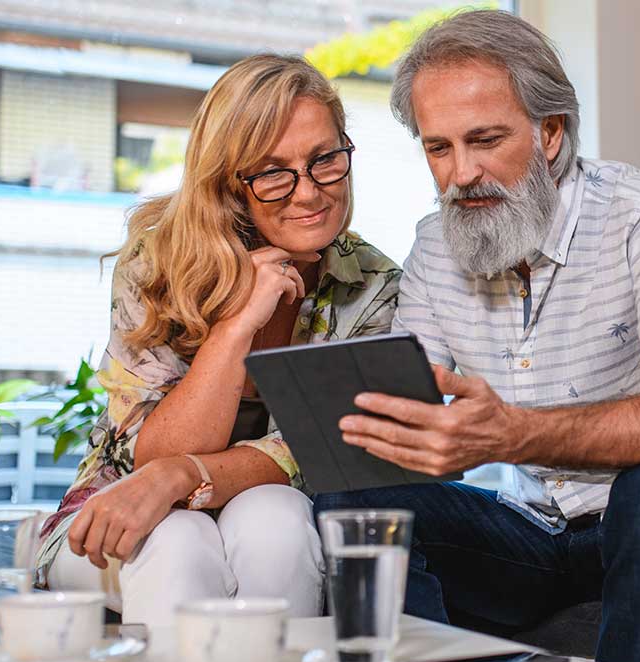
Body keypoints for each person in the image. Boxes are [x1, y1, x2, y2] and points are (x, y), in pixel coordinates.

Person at [313, 11, 640, 662]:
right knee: (356, 496)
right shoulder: (435, 246)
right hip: (544, 532)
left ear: (551, 132)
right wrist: (400, 432)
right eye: (438, 147)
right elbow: (423, 417)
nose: (460, 173)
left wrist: (516, 431)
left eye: (485, 140)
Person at [35, 54, 401, 631]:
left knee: (277, 520)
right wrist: (235, 328)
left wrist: (183, 474)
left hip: (267, 505)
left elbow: (310, 457)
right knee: (179, 539)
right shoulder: (155, 266)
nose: (309, 192)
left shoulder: (374, 288)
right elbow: (148, 458)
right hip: (124, 508)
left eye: (324, 160)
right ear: (231, 185)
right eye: (274, 172)